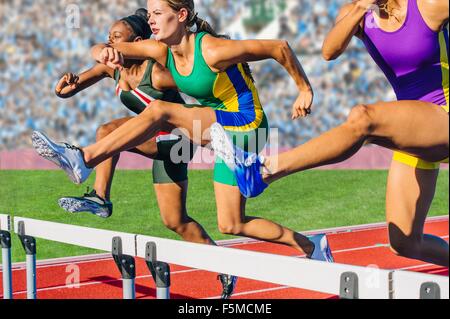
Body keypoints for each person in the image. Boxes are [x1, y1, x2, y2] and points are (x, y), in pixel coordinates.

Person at [31, 0, 334, 263]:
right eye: (148, 13)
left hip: (248, 125)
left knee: (162, 111)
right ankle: (313, 246)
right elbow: (108, 48)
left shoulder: (212, 49)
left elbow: (278, 47)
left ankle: (83, 159)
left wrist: (304, 89)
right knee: (232, 224)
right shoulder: (161, 50)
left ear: (181, 15)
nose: (150, 19)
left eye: (157, 12)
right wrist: (102, 52)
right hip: (219, 128)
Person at [216, 0, 449, 267]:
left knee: (364, 118)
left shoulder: (428, 5)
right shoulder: (356, 14)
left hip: (444, 115)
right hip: (415, 128)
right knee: (405, 242)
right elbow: (329, 51)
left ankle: (265, 170)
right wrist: (362, 8)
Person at [47, 8, 237, 298]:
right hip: (155, 140)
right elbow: (76, 85)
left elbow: (199, 82)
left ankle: (99, 196)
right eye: (108, 37)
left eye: (117, 38)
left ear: (136, 41)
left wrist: (216, 124)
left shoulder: (158, 74)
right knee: (176, 221)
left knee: (106, 132)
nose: (110, 44)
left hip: (178, 141)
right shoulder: (113, 68)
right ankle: (226, 267)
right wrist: (63, 89)